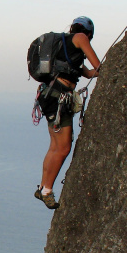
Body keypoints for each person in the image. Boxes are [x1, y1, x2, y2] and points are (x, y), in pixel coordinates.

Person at [35, 16, 101, 210]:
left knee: (55, 147)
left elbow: (89, 73)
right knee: (63, 148)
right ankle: (46, 190)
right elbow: (97, 65)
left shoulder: (67, 53)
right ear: (88, 33)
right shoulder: (81, 37)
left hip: (50, 96)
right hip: (59, 98)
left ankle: (43, 187)